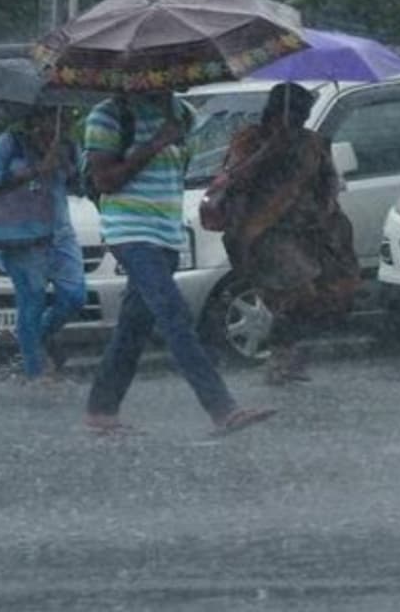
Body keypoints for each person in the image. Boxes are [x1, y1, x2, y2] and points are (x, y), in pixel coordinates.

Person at [83, 91, 275, 435]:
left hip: (167, 232)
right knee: (175, 316)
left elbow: (179, 170)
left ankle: (102, 409)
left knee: (134, 325)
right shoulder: (108, 116)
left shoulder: (183, 113)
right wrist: (156, 143)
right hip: (130, 231)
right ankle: (223, 409)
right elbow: (105, 180)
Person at [220, 84, 358, 385]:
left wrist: (327, 216)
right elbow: (235, 180)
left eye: (303, 115)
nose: (300, 120)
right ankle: (282, 356)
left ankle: (289, 353)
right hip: (267, 232)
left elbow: (329, 184)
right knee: (299, 292)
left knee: (328, 297)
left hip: (310, 231)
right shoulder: (249, 140)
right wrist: (270, 150)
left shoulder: (313, 143)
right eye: (295, 113)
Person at [0, 106, 86, 383]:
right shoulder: (10, 143)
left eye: (59, 117)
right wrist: (35, 170)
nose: (53, 123)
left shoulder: (68, 145)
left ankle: (36, 338)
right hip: (22, 237)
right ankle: (35, 371)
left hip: (60, 233)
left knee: (75, 296)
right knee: (32, 301)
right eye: (46, 117)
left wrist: (67, 166)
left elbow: (80, 185)